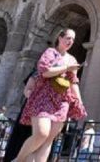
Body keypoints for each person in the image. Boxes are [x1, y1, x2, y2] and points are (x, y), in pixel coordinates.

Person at [14, 28, 87, 162]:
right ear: (60, 38)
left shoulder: (72, 59)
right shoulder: (50, 53)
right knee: (41, 133)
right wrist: (66, 68)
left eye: (73, 39)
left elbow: (73, 83)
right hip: (44, 97)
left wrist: (79, 102)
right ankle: (19, 160)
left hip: (62, 101)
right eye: (68, 38)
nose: (70, 41)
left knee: (49, 139)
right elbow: (45, 72)